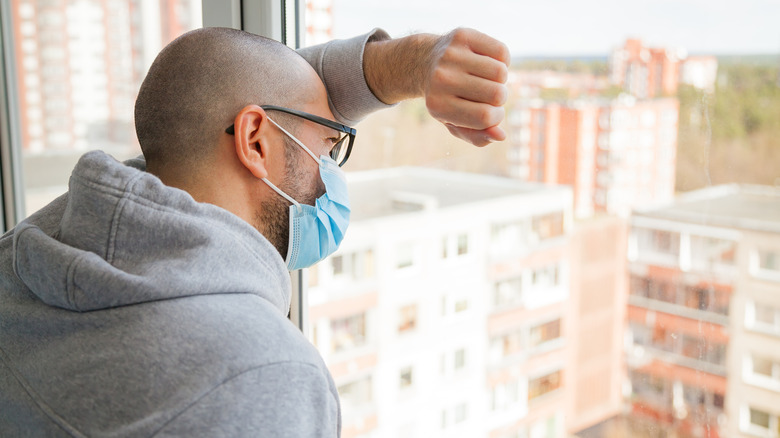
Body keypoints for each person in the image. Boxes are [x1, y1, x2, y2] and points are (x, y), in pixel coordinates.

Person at [0, 26, 509, 437]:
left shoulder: (30, 252)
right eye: (329, 147)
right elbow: (244, 84)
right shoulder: (264, 374)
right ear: (256, 143)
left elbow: (218, 90)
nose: (331, 172)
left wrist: (420, 62)